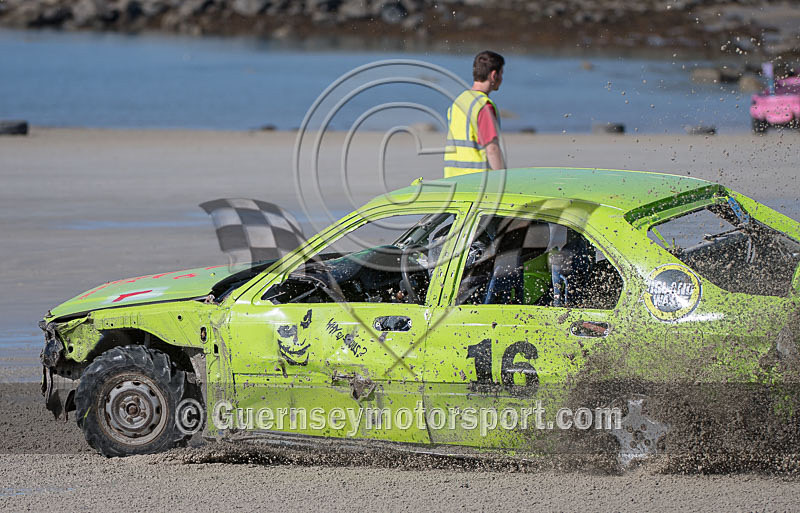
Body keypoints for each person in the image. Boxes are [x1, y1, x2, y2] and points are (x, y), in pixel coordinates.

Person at [444, 50, 506, 177]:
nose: (502, 78)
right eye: (501, 73)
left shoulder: (458, 101)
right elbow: (492, 149)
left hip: (453, 178)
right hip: (478, 181)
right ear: (494, 75)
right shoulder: (483, 105)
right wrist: (503, 179)